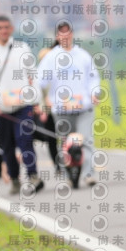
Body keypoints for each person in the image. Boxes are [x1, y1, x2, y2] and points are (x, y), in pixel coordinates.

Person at [0, 15, 44, 194]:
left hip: (23, 105)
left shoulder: (22, 48)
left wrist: (36, 100)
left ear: (12, 28)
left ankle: (33, 175)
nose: (4, 31)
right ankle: (14, 178)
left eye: (7, 27)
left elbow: (32, 74)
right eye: (0, 28)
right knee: (7, 145)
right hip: (0, 108)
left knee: (24, 139)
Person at [37, 21, 100, 186]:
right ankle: (67, 175)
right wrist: (42, 100)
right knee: (65, 142)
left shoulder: (83, 55)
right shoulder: (51, 57)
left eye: (68, 33)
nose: (65, 36)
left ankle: (88, 174)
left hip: (83, 106)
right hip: (61, 108)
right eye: (61, 34)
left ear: (72, 34)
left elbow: (93, 77)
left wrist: (95, 93)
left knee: (85, 139)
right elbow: (40, 81)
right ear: (57, 36)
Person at [34, 40, 61, 173]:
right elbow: (40, 94)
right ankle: (58, 165)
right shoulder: (40, 75)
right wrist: (43, 111)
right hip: (49, 111)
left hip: (63, 109)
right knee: (52, 138)